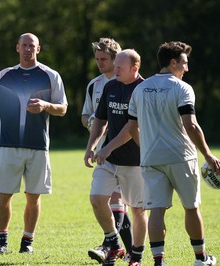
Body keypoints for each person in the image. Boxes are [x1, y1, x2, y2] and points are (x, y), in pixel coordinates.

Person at [120, 41, 220, 266]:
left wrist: (145, 148)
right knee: (191, 207)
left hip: (151, 159)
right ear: (173, 62)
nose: (187, 68)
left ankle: (159, 262)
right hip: (181, 157)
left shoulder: (140, 88)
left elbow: (131, 127)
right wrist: (207, 154)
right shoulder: (182, 88)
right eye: (184, 63)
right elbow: (191, 125)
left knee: (156, 211)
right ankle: (201, 259)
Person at [0, 33, 68, 254]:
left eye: (32, 46)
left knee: (33, 197)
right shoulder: (6, 75)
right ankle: (1, 242)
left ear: (39, 49)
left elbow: (63, 108)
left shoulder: (50, 75)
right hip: (8, 146)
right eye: (24, 45)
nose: (28, 49)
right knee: (4, 194)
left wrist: (46, 105)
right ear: (17, 48)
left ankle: (27, 243)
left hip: (38, 146)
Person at [84, 49, 148, 266]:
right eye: (116, 66)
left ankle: (136, 257)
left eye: (120, 67)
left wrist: (107, 147)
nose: (115, 70)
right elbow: (100, 120)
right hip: (109, 160)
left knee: (138, 210)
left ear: (135, 68)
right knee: (97, 198)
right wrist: (91, 146)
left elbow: (132, 128)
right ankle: (113, 242)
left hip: (136, 161)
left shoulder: (144, 90)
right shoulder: (111, 86)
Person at [81, 38, 133, 260]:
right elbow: (86, 115)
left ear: (116, 58)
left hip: (132, 151)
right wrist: (92, 123)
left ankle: (111, 247)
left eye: (104, 59)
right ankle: (124, 251)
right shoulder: (94, 85)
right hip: (106, 150)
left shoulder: (131, 82)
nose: (99, 63)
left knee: (122, 202)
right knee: (113, 199)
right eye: (97, 59)